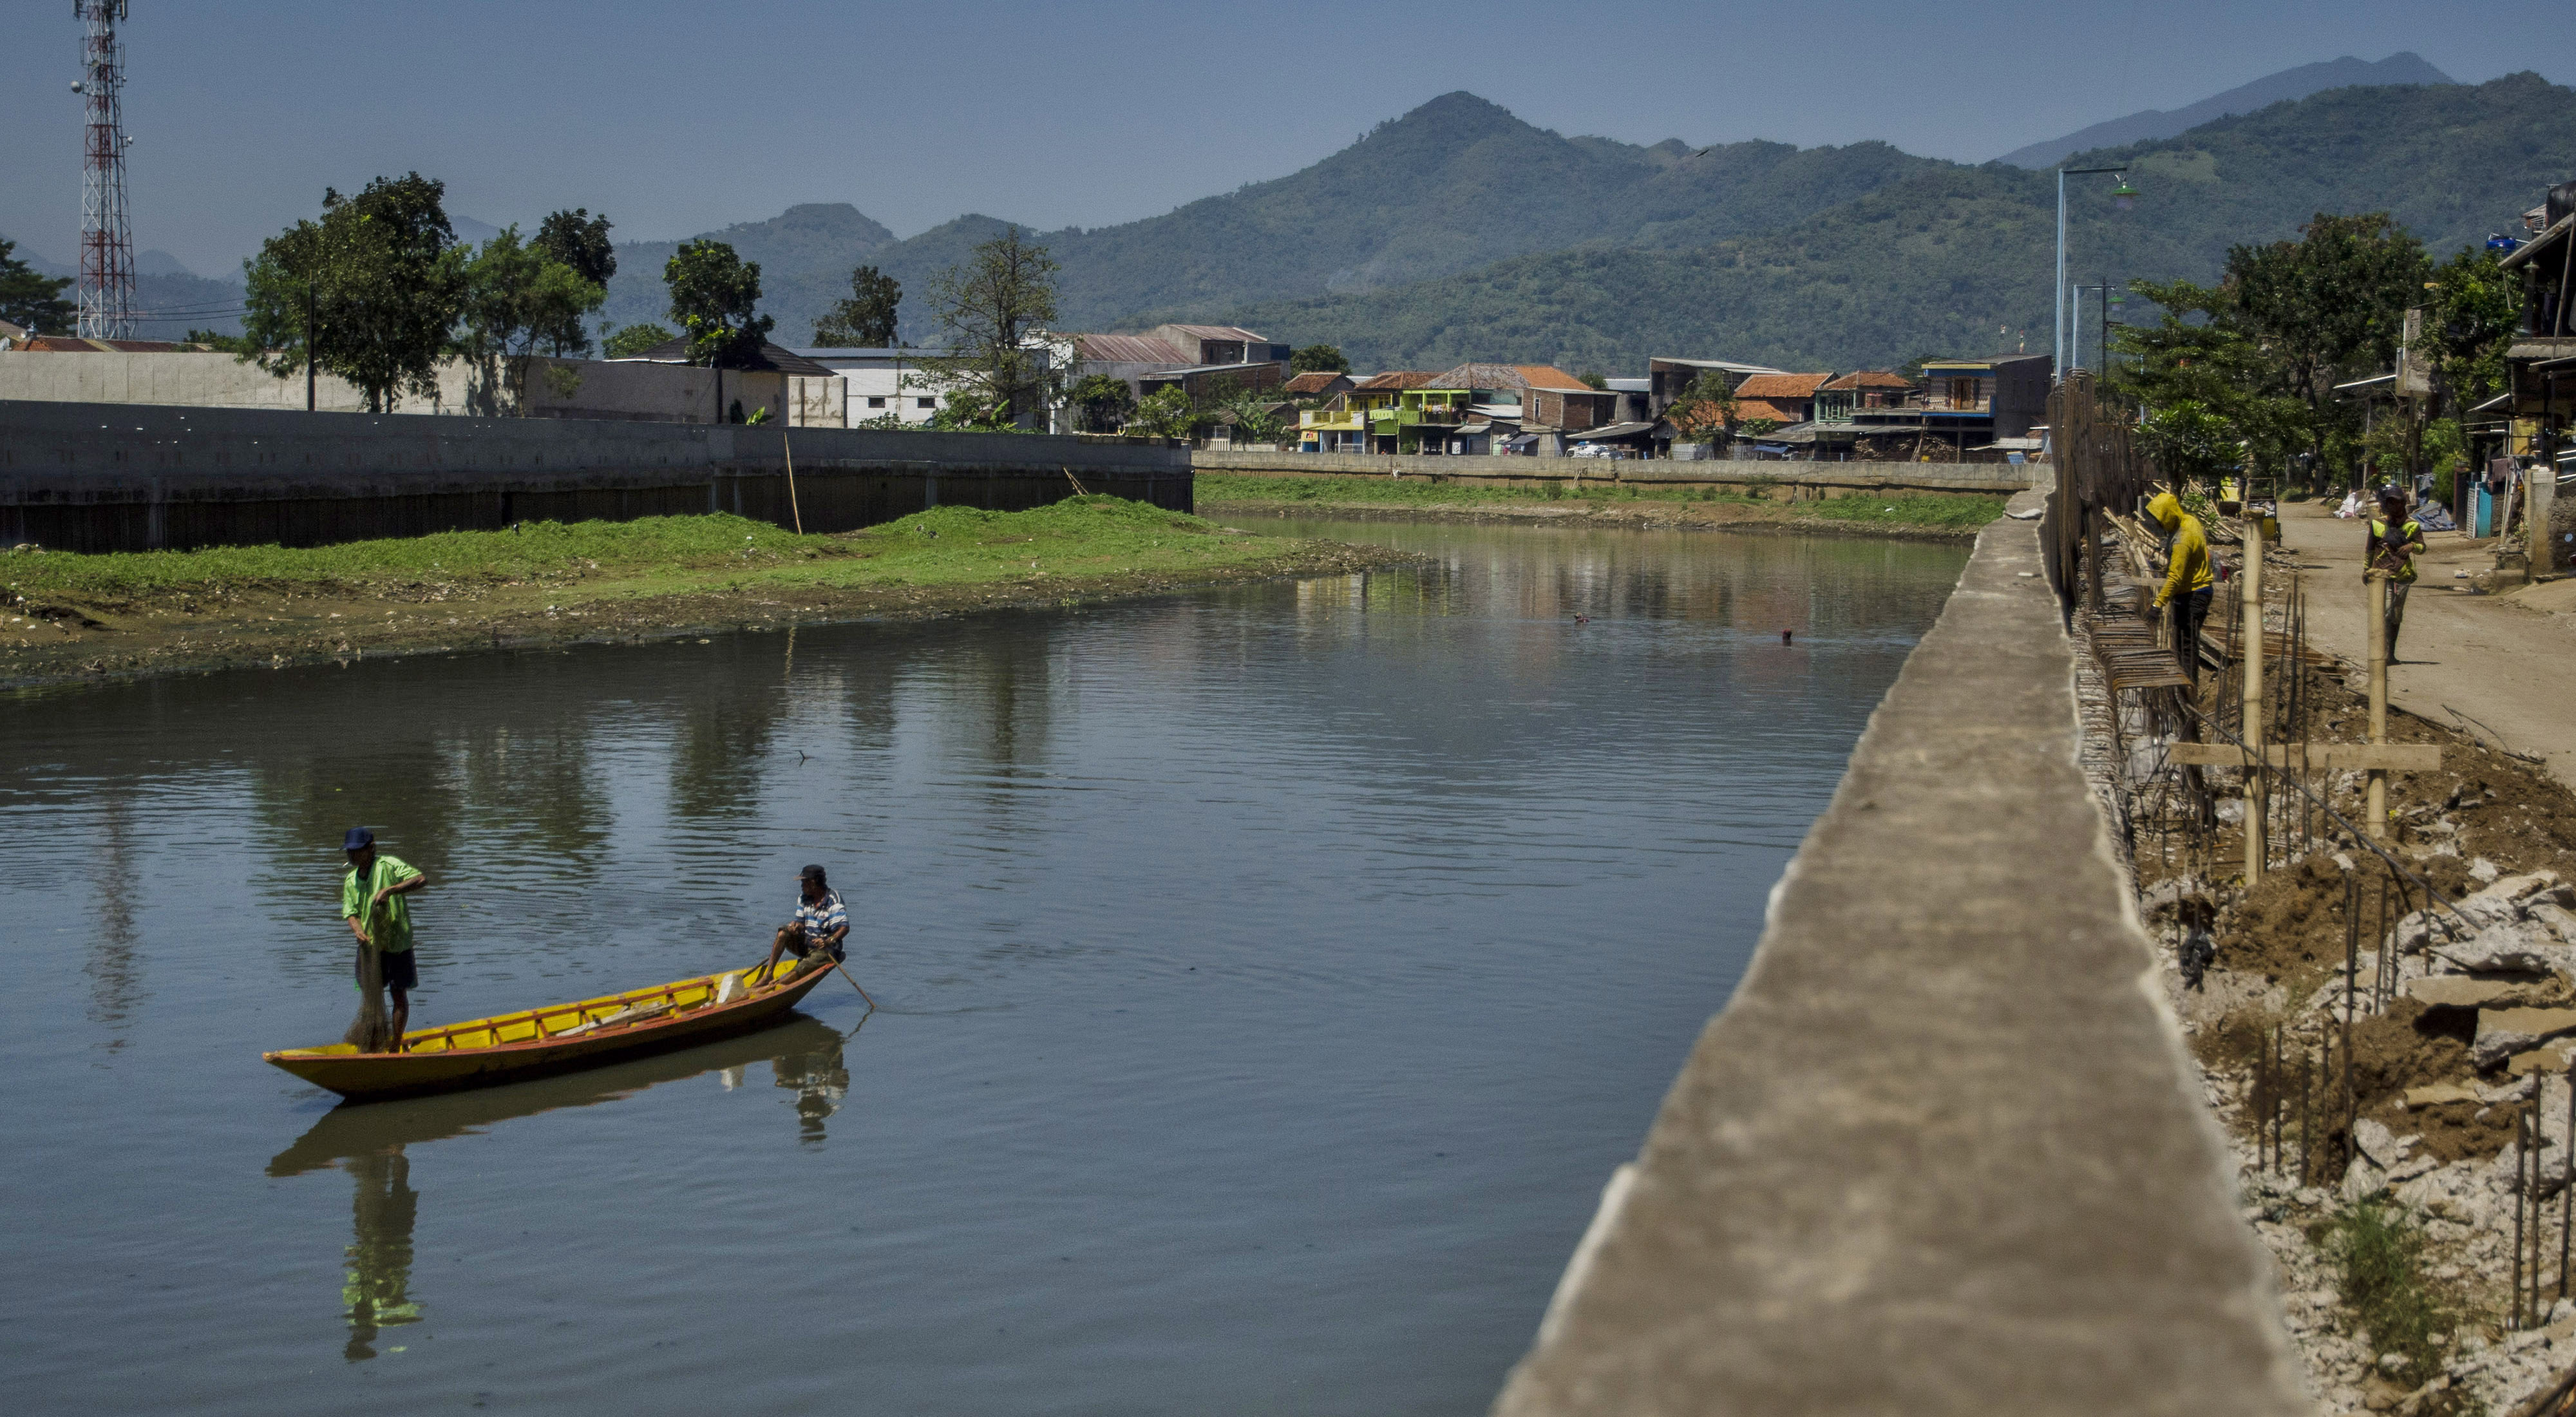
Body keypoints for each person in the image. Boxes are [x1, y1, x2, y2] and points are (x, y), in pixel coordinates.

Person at [342, 827, 428, 1045]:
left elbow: (420, 879)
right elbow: (351, 913)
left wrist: (391, 890)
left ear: (371, 848)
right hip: (370, 947)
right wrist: (358, 930)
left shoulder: (388, 865)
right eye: (349, 851)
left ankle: (396, 1044)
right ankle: (375, 1042)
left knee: (398, 995)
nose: (352, 855)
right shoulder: (351, 880)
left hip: (397, 943)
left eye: (357, 851)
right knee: (371, 997)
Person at [2145, 490, 2215, 681]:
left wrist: (2157, 605)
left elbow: (2175, 578)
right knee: (2186, 645)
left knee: (2186, 647)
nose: (2158, 525)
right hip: (2199, 590)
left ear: (2168, 517)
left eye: (2160, 520)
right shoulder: (2190, 520)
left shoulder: (2182, 542)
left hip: (2193, 595)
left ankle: (2187, 689)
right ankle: (2186, 685)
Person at [759, 864, 848, 981]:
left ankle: (779, 983)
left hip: (826, 950)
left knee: (790, 977)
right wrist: (796, 927)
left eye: (804, 882)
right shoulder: (803, 898)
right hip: (808, 944)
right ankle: (768, 975)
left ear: (813, 883)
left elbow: (844, 928)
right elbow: (801, 923)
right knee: (783, 933)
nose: (801, 886)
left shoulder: (833, 899)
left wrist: (828, 941)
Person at [2368, 487, 2426, 662]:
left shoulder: (2412, 525)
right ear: (2386, 505)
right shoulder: (2377, 524)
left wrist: (2411, 546)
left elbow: (2422, 547)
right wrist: (2366, 570)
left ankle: (2390, 653)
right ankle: (2381, 652)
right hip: (2381, 574)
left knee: (2396, 615)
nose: (2396, 506)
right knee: (2385, 613)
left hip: (2403, 575)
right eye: (2392, 503)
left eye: (2399, 503)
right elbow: (2370, 550)